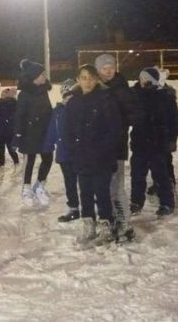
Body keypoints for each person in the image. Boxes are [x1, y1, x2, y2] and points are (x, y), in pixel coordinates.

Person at [64, 65, 122, 246]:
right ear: (78, 80)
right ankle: (89, 225)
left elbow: (115, 129)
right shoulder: (73, 102)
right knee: (85, 193)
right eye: (83, 77)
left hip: (102, 157)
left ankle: (106, 226)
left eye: (90, 78)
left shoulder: (106, 99)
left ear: (96, 79)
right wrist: (74, 148)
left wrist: (104, 149)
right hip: (81, 156)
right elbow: (67, 130)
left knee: (102, 193)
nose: (87, 81)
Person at [94, 53, 140, 242]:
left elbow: (134, 114)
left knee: (117, 186)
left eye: (111, 67)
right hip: (97, 146)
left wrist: (118, 125)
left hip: (116, 144)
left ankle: (124, 222)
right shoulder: (94, 89)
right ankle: (109, 219)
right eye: (104, 68)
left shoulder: (122, 89)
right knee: (102, 186)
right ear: (98, 70)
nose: (108, 70)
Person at [130, 67, 178, 219]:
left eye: (147, 79)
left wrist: (172, 139)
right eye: (141, 78)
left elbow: (174, 121)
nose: (143, 81)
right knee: (137, 175)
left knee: (161, 175)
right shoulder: (135, 94)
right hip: (139, 141)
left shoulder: (165, 96)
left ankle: (167, 203)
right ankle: (136, 202)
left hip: (158, 142)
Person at [15, 59, 53, 207]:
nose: (45, 76)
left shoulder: (43, 92)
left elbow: (48, 110)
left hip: (44, 132)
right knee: (29, 161)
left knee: (48, 159)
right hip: (29, 133)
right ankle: (26, 188)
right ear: (34, 76)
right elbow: (19, 115)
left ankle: (39, 185)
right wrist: (18, 135)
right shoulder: (24, 94)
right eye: (42, 74)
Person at [43, 79, 79, 222]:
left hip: (80, 152)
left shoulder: (81, 108)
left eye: (72, 95)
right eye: (66, 95)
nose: (69, 98)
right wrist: (48, 146)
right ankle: (74, 207)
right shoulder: (57, 111)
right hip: (64, 153)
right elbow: (52, 130)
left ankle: (92, 207)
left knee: (86, 181)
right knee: (70, 182)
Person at [0, 87, 19, 170]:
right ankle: (13, 163)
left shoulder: (4, 103)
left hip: (4, 131)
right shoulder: (13, 103)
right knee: (7, 149)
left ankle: (6, 164)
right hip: (6, 131)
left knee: (5, 149)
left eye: (3, 93)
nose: (2, 94)